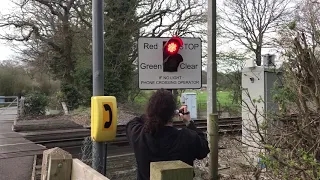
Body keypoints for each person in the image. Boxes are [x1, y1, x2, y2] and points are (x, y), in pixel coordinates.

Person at [126, 89, 210, 180]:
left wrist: (153, 113)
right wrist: (189, 123)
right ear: (173, 113)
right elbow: (204, 149)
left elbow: (133, 122)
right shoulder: (188, 137)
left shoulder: (138, 134)